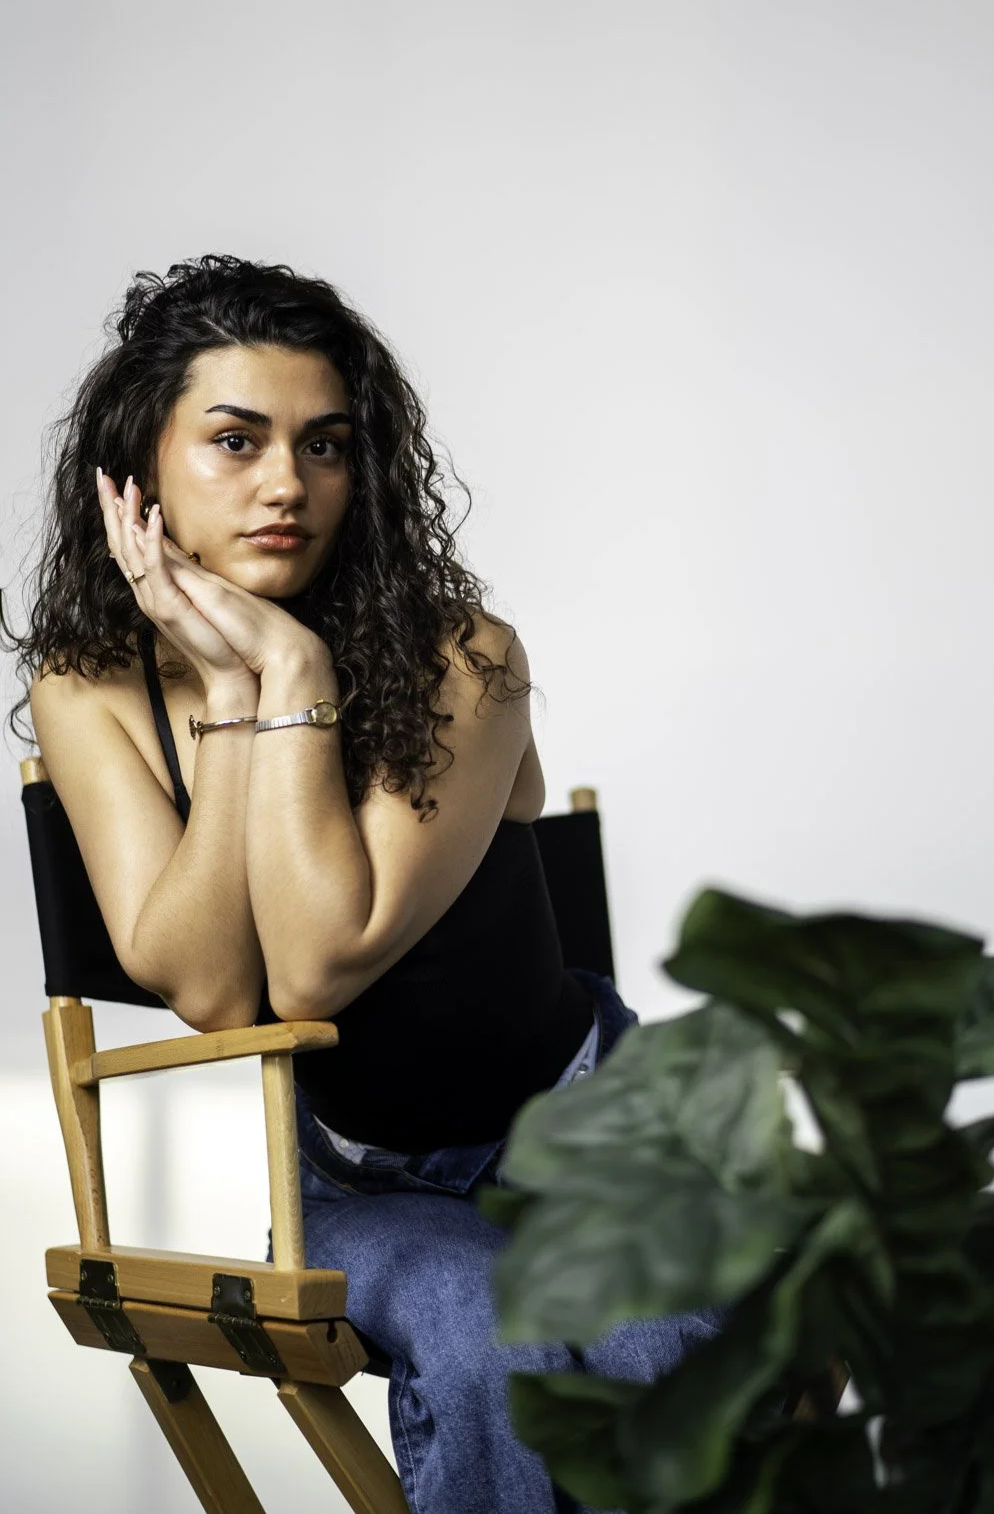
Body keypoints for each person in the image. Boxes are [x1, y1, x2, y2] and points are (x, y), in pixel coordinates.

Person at [14, 254, 728, 1514]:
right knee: (478, 1326)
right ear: (139, 472)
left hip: (586, 1130)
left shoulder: (466, 657)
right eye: (235, 440)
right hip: (346, 1174)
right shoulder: (95, 681)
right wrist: (237, 694)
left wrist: (287, 666)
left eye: (326, 444)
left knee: (648, 1346)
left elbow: (323, 949)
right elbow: (223, 986)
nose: (288, 482)